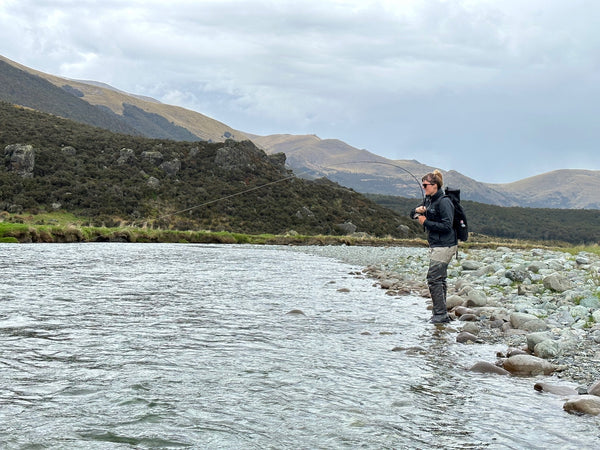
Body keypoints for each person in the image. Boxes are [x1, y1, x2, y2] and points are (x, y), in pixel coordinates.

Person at [410, 169, 457, 324]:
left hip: (445, 246)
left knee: (433, 279)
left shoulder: (444, 202)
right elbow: (412, 214)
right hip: (438, 245)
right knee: (440, 279)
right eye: (423, 185)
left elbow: (447, 226)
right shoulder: (429, 200)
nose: (424, 188)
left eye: (425, 185)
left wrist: (425, 222)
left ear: (435, 185)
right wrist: (417, 211)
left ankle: (439, 315)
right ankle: (441, 313)